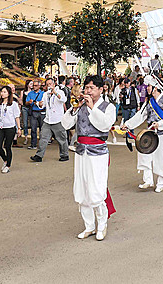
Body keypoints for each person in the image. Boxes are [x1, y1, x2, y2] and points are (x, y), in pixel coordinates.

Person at [60, 75, 116, 241]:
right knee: (82, 188)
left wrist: (92, 108)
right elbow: (65, 124)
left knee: (96, 188)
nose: (88, 91)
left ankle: (102, 224)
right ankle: (89, 226)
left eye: (92, 88)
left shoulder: (108, 107)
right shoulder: (80, 106)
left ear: (101, 89)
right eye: (86, 88)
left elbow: (105, 125)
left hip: (98, 152)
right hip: (81, 151)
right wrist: (74, 109)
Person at [123, 75, 163, 193]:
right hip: (149, 135)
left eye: (149, 86)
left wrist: (160, 124)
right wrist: (128, 124)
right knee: (144, 155)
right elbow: (141, 116)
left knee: (162, 158)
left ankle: (160, 183)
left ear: (156, 88)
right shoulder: (149, 102)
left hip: (162, 134)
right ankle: (148, 180)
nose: (147, 89)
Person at [30, 78, 69, 162]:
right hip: (48, 120)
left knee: (61, 139)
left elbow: (63, 99)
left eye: (50, 84)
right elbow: (43, 105)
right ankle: (39, 155)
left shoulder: (60, 91)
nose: (49, 86)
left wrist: (55, 92)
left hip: (58, 119)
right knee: (43, 137)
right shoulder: (45, 94)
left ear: (54, 84)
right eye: (47, 84)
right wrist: (40, 104)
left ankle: (64, 155)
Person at [0, 86, 22, 173]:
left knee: (7, 146)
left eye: (4, 92)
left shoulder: (13, 104)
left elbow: (17, 116)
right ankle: (5, 160)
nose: (2, 93)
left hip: (10, 127)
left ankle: (8, 165)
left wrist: (19, 128)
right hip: (0, 127)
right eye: (2, 92)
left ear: (9, 93)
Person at [25, 80, 45, 149]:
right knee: (33, 128)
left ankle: (42, 144)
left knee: (42, 129)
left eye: (36, 85)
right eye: (33, 85)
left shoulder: (43, 93)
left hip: (41, 112)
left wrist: (40, 103)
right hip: (33, 111)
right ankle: (33, 144)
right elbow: (26, 103)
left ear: (39, 86)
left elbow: (45, 102)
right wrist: (29, 102)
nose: (34, 87)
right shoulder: (30, 93)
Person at [20, 80, 34, 145]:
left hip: (31, 108)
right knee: (25, 123)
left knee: (32, 123)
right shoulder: (23, 92)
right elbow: (21, 100)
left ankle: (32, 137)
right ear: (27, 84)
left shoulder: (33, 92)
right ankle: (26, 137)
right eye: (30, 84)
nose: (32, 85)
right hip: (25, 108)